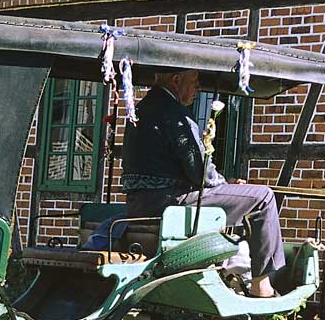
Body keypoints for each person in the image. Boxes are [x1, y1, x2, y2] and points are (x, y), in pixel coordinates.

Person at [121, 69, 283, 297]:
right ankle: (261, 284)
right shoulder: (173, 113)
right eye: (195, 81)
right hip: (171, 202)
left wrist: (224, 183)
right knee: (264, 197)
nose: (198, 88)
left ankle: (233, 265)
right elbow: (201, 173)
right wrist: (225, 183)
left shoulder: (142, 108)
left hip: (140, 205)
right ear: (176, 80)